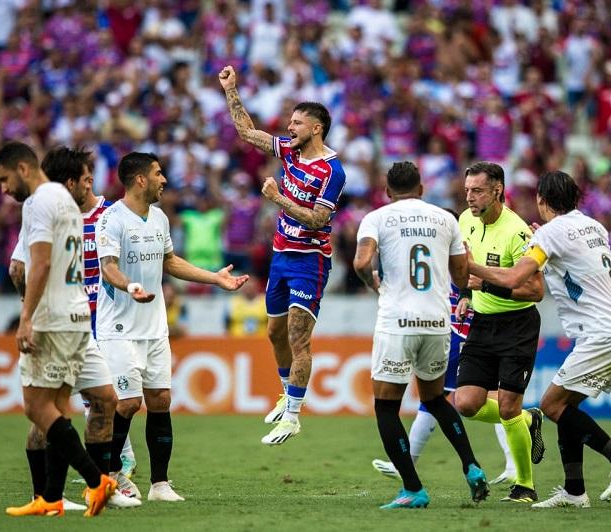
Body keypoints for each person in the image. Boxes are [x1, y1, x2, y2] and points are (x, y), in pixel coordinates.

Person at [468, 170, 611, 508]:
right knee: (566, 406)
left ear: (541, 200)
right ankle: (575, 492)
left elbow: (517, 276)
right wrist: (543, 241)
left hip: (603, 333)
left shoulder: (551, 234)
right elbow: (572, 259)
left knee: (551, 405)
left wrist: (472, 267)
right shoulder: (594, 226)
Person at [97, 152, 248, 502]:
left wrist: (214, 278)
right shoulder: (111, 220)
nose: (164, 180)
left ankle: (160, 485)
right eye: (158, 173)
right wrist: (129, 286)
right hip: (119, 328)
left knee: (161, 399)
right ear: (140, 180)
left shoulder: (160, 218)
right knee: (128, 402)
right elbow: (108, 267)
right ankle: (107, 480)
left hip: (154, 328)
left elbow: (170, 261)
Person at [218, 65, 346, 445]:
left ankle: (293, 415)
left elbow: (319, 218)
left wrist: (277, 199)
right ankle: (285, 392)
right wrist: (231, 89)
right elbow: (247, 132)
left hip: (310, 260)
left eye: (297, 123)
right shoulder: (289, 150)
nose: (289, 128)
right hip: (280, 256)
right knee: (274, 332)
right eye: (289, 122)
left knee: (298, 336)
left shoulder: (332, 171)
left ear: (316, 128)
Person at [8, 146, 140, 509]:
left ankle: (90, 492)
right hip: (57, 323)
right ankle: (56, 492)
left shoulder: (74, 210)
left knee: (102, 400)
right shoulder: (45, 208)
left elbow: (23, 269)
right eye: (86, 179)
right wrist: (32, 313)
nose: (91, 185)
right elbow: (20, 267)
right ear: (71, 182)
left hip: (80, 322)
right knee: (46, 409)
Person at [353, 161, 488, 509]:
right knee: (434, 399)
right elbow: (461, 274)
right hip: (437, 322)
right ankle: (471, 465)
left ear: (387, 191)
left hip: (397, 321)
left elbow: (360, 262)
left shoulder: (377, 218)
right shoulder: (446, 219)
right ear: (422, 189)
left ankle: (413, 488)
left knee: (386, 408)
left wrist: (374, 284)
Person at [371, 210, 517, 486]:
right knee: (439, 397)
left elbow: (478, 281)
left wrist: (469, 296)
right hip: (452, 333)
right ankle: (508, 461)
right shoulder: (445, 254)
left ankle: (511, 460)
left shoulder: (464, 252)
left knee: (449, 398)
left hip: (468, 336)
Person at [453, 161, 546, 503]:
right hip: (482, 323)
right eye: (467, 191)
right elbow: (465, 269)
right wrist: (466, 294)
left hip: (517, 326)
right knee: (465, 402)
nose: (470, 198)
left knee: (506, 408)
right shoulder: (465, 221)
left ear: (497, 191)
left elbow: (536, 291)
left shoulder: (517, 232)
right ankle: (528, 419)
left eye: (477, 191)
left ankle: (525, 486)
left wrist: (486, 288)